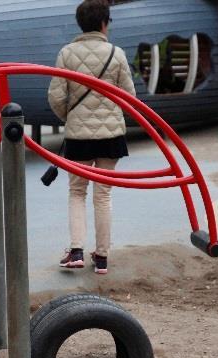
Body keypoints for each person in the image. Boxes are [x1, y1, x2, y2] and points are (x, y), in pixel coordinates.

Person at [48, 0, 136, 274]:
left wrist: (70, 116)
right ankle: (102, 258)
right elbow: (129, 96)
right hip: (111, 135)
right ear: (104, 23)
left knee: (77, 192)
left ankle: (76, 251)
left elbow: (56, 95)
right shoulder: (116, 54)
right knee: (103, 194)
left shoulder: (67, 54)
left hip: (79, 135)